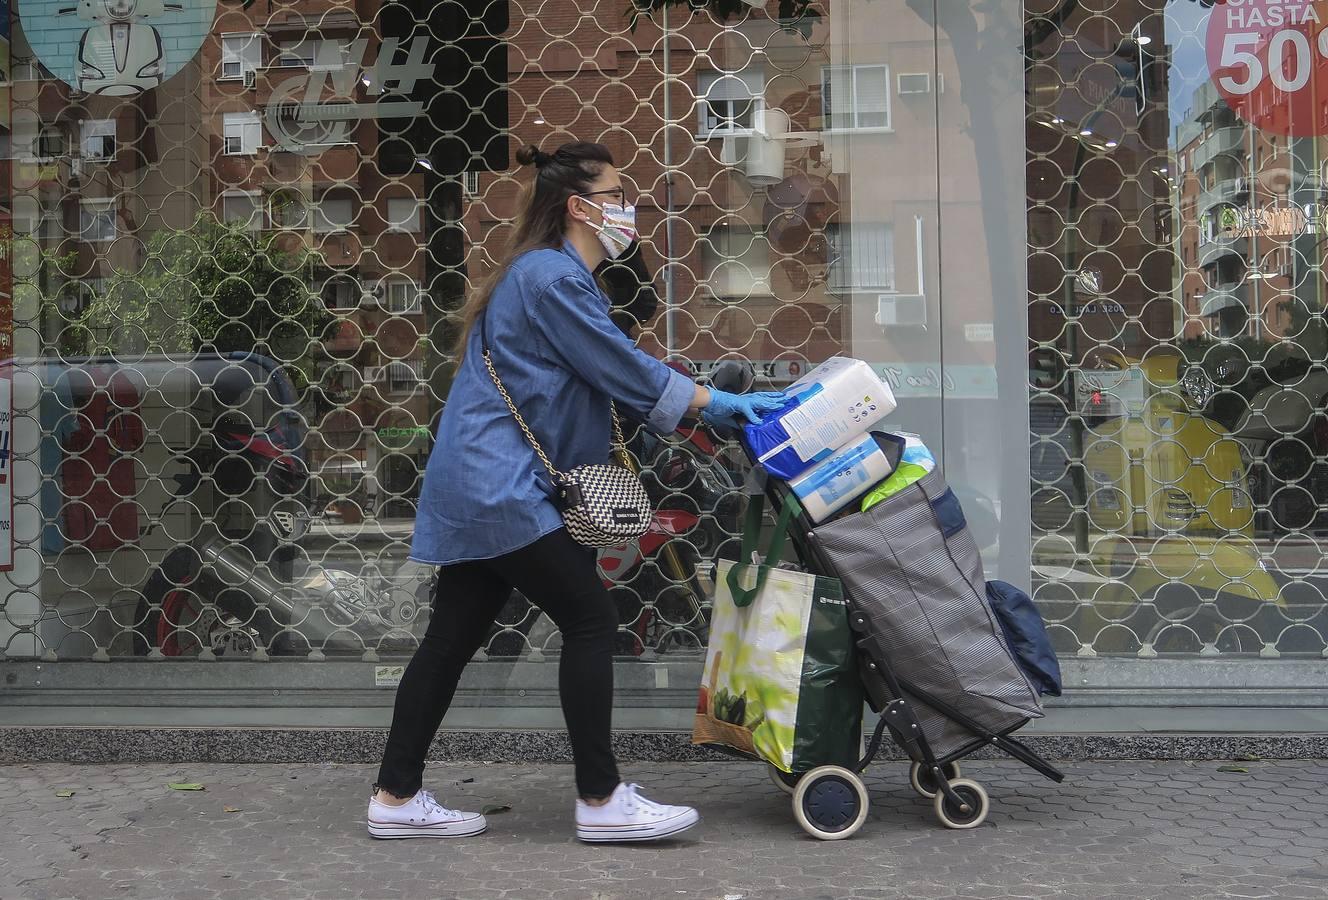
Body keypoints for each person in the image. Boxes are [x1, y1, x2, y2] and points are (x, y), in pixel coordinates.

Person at [368, 141, 786, 842]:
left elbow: (599, 369)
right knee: (590, 619)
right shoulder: (550, 278)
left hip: (484, 481)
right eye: (618, 195)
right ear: (579, 207)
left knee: (449, 641)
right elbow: (619, 365)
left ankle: (395, 796)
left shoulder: (547, 275)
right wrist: (714, 404)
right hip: (502, 486)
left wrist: (699, 401)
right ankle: (601, 800)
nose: (629, 208)